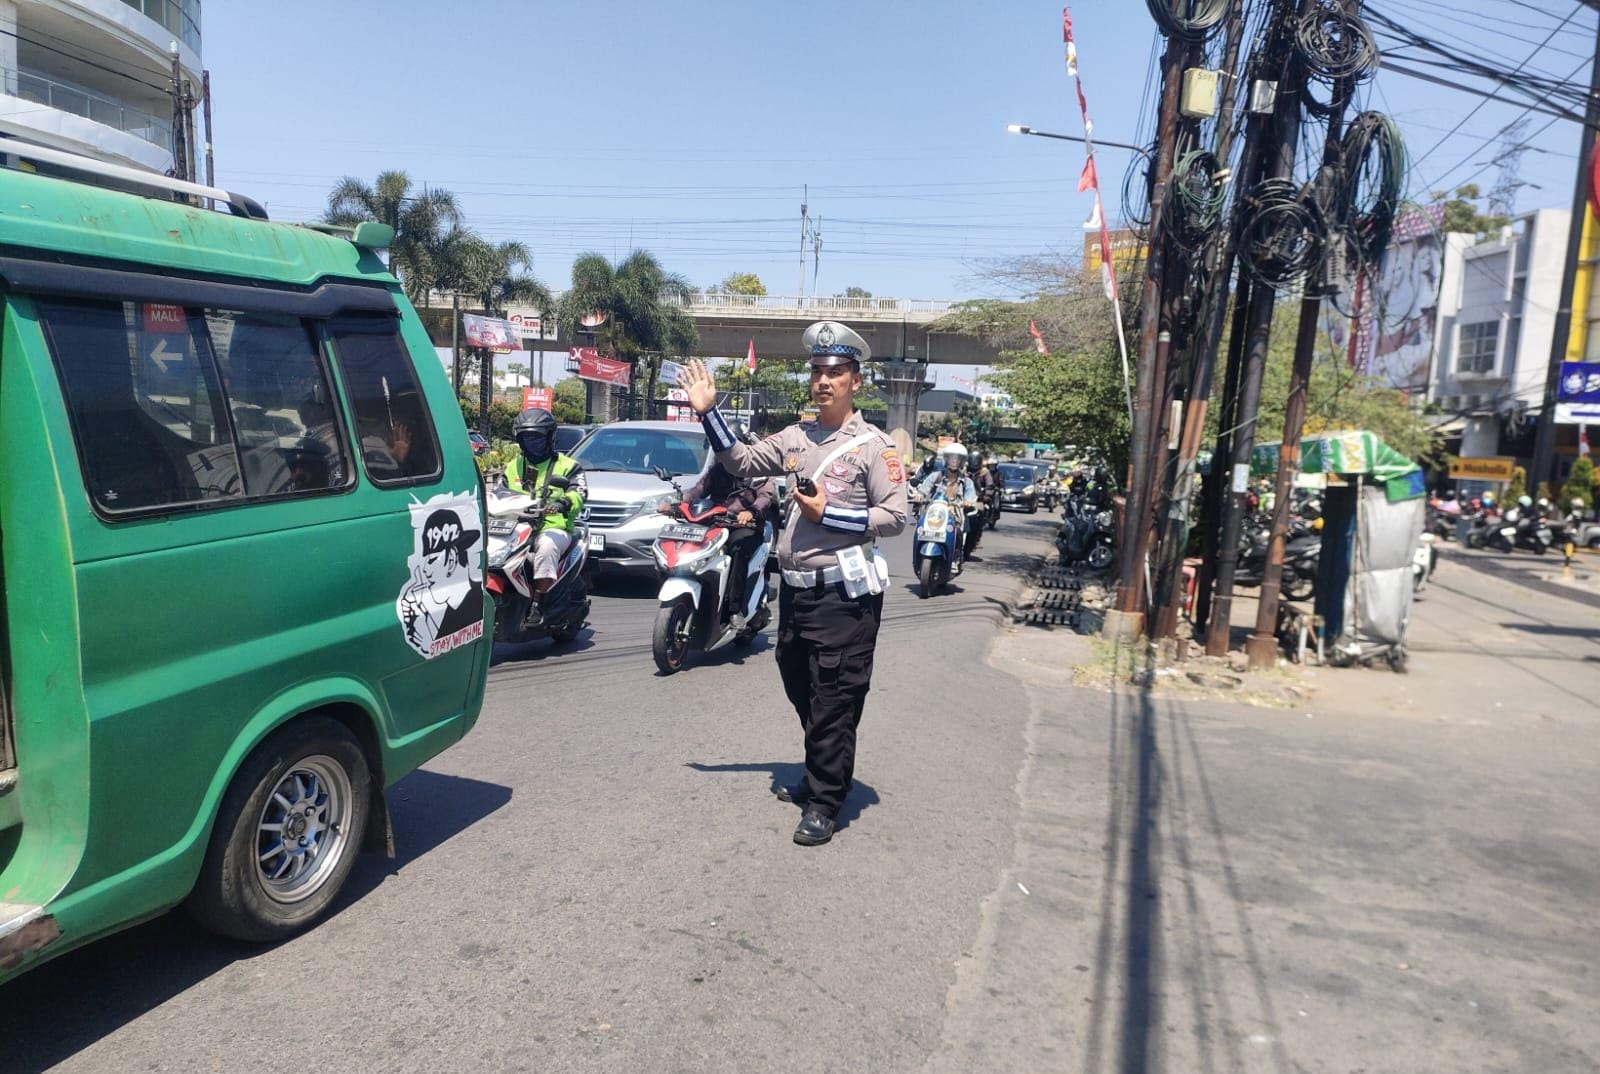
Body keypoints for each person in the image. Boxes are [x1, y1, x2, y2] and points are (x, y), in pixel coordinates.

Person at [680, 321, 909, 847]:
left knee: (833, 695)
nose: (824, 381)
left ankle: (825, 801)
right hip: (798, 592)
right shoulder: (794, 438)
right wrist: (708, 412)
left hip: (843, 596)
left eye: (836, 372)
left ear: (855, 381)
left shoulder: (875, 448)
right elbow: (739, 461)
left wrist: (832, 514)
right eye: (818, 371)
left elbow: (896, 517)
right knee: (799, 681)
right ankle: (824, 766)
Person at [662, 460, 776, 616]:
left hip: (744, 525)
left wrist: (751, 511)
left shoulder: (759, 471)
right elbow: (699, 489)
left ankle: (735, 609)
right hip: (715, 521)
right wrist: (678, 501)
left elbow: (765, 497)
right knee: (689, 543)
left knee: (738, 549)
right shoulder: (718, 469)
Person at [504, 407, 586, 616]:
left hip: (553, 527)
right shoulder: (513, 467)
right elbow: (498, 493)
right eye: (527, 438)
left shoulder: (568, 466)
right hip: (516, 528)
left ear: (549, 438)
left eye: (537, 438)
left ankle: (538, 603)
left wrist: (562, 503)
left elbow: (579, 492)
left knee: (547, 547)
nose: (532, 443)